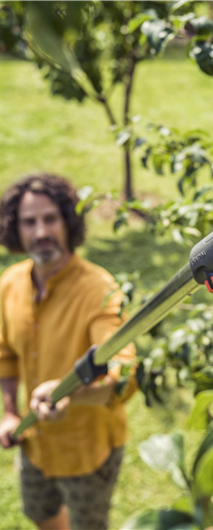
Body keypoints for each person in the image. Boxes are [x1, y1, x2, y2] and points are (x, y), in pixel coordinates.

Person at [0, 174, 137, 530]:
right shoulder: (10, 283)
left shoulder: (99, 290)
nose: (41, 232)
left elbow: (123, 374)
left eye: (50, 218)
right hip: (34, 440)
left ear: (68, 221)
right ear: (15, 228)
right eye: (29, 222)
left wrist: (71, 394)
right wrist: (10, 412)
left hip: (86, 451)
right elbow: (6, 355)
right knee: (39, 514)